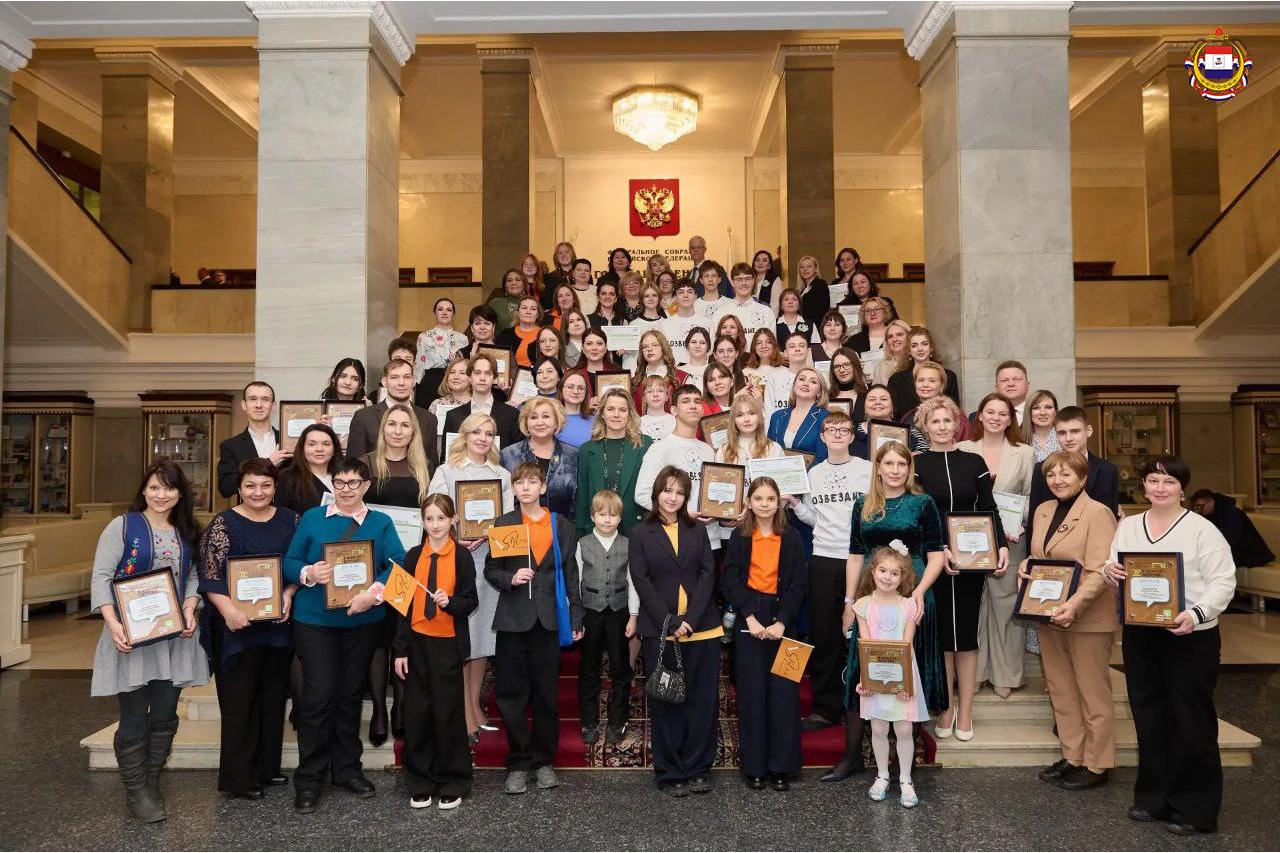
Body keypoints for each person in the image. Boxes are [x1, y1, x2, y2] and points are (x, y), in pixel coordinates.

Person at [1103, 455, 1236, 836]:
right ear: (1143, 486)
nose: (1160, 488)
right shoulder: (1130, 526)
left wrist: (1196, 613)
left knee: (1190, 719)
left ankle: (1196, 809)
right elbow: (1114, 564)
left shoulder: (1202, 530)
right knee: (1149, 715)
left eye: (1169, 482)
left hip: (1190, 634)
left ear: (1182, 488)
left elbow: (1223, 581)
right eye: (1153, 481)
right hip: (1142, 632)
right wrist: (1109, 571)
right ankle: (1154, 799)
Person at [284, 457, 405, 813]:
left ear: (366, 485)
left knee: (350, 696)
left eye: (354, 483)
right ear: (332, 484)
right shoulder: (312, 518)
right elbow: (289, 561)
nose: (346, 490)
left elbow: (398, 565)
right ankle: (310, 779)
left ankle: (347, 770)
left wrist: (373, 595)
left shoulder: (381, 523)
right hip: (315, 622)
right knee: (318, 697)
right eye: (340, 483)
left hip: (362, 623)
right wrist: (308, 572)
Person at [90, 461, 208, 823]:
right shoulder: (123, 526)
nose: (161, 495)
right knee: (133, 716)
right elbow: (102, 576)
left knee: (165, 714)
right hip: (132, 635)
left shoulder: (187, 530)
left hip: (174, 636)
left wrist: (189, 608)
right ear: (144, 490)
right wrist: (112, 623)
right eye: (155, 487)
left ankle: (150, 782)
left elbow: (194, 576)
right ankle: (136, 791)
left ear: (180, 493)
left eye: (169, 488)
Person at [837, 442, 947, 775]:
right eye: (889, 463)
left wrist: (919, 593)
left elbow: (936, 555)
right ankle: (852, 757)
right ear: (878, 468)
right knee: (861, 669)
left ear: (909, 469)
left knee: (911, 670)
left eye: (902, 464)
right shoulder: (863, 505)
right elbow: (855, 556)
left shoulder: (923, 503)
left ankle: (903, 764)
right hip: (869, 596)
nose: (896, 470)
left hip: (912, 595)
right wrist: (849, 602)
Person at [198, 458, 299, 800]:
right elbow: (209, 574)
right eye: (250, 486)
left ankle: (267, 768)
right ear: (239, 488)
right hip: (236, 627)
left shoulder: (290, 520)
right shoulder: (223, 523)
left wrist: (288, 593)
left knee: (272, 697)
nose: (258, 492)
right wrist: (228, 610)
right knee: (240, 701)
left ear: (275, 487)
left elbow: (297, 566)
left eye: (265, 485)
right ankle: (240, 778)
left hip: (276, 626)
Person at [1020, 450, 1119, 791]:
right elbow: (1041, 559)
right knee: (1062, 689)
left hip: (1087, 618)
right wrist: (1026, 567)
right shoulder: (1043, 510)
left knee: (1092, 693)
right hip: (1049, 616)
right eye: (1051, 475)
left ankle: (1098, 763)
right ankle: (1073, 755)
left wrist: (1074, 606)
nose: (1057, 480)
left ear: (1082, 478)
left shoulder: (1098, 513)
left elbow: (1100, 570)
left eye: (1065, 474)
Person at [485, 461, 583, 795]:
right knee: (511, 695)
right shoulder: (505, 523)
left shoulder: (561, 524)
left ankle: (543, 761)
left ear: (542, 487)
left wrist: (577, 616)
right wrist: (510, 578)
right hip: (513, 619)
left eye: (531, 482)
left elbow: (571, 573)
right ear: (513, 488)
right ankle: (518, 763)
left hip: (548, 620)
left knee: (545, 695)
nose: (525, 488)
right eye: (519, 483)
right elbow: (491, 569)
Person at [913, 396, 1009, 735]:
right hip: (933, 560)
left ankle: (966, 711)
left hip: (972, 559)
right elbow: (917, 513)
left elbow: (989, 507)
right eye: (935, 421)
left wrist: (1000, 545)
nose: (942, 427)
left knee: (966, 635)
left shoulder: (973, 461)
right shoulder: (916, 465)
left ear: (957, 424)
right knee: (941, 637)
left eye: (947, 421)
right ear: (925, 427)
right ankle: (946, 708)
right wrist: (939, 548)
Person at [629, 466, 723, 796]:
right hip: (660, 631)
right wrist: (670, 621)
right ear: (656, 493)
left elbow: (708, 574)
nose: (673, 497)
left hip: (702, 629)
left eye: (680, 492)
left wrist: (691, 620)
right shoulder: (640, 533)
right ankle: (669, 772)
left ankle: (698, 768)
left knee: (702, 701)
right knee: (666, 701)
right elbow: (641, 579)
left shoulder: (697, 530)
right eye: (667, 490)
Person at [428, 413, 513, 743]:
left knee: (482, 640)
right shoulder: (446, 472)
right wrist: (455, 533)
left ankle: (475, 704)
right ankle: (463, 711)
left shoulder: (501, 475)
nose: (482, 438)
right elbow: (434, 514)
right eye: (476, 432)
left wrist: (489, 533)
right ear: (463, 435)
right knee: (463, 638)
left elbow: (508, 519)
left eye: (489, 433)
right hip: (456, 561)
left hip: (489, 562)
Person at [791, 410, 872, 746]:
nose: (837, 434)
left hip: (860, 560)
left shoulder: (867, 470)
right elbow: (815, 517)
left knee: (863, 634)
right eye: (831, 429)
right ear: (822, 437)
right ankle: (826, 707)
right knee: (825, 634)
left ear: (852, 436)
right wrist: (796, 506)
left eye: (844, 429)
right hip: (824, 559)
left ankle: (866, 705)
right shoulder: (814, 473)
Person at [392, 493, 477, 811]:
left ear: (453, 520)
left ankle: (453, 781)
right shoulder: (412, 555)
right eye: (429, 518)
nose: (435, 524)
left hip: (447, 644)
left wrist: (449, 602)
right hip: (416, 643)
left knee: (447, 713)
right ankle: (420, 782)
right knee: (417, 713)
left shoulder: (462, 557)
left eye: (441, 518)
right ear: (422, 521)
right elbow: (401, 605)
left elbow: (470, 601)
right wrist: (400, 649)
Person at [721, 477, 807, 791]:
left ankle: (782, 768)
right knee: (752, 695)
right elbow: (730, 581)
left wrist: (782, 622)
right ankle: (755, 767)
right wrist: (750, 617)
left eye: (771, 498)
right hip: (751, 618)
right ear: (749, 502)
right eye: (758, 498)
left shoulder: (793, 536)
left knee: (786, 696)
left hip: (788, 621)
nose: (765, 504)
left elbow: (799, 584)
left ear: (779, 502)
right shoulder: (739, 536)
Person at [360, 403, 432, 746]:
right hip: (373, 563)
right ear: (383, 428)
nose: (398, 430)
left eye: (405, 425)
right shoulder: (365, 464)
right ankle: (378, 708)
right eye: (393, 424)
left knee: (401, 633)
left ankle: (400, 705)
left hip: (408, 563)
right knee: (377, 637)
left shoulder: (423, 468)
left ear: (413, 431)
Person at [961, 393, 1036, 698]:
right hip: (972, 541)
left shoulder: (1024, 453)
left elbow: (1031, 497)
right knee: (976, 607)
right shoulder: (963, 449)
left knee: (1006, 608)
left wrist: (1018, 521)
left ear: (1010, 419)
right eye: (989, 412)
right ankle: (976, 673)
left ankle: (1007, 675)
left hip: (1012, 540)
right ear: (979, 415)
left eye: (1002, 413)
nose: (995, 418)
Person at [851, 543, 928, 809]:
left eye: (895, 573)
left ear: (903, 577)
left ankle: (905, 779)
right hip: (875, 675)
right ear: (873, 571)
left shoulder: (909, 606)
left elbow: (907, 645)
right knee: (879, 728)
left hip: (902, 675)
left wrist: (905, 682)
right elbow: (866, 646)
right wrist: (866, 680)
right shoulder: (862, 606)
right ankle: (882, 775)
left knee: (904, 729)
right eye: (883, 570)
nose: (887, 577)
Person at [575, 489, 638, 748]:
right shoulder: (582, 544)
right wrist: (576, 617)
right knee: (588, 668)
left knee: (620, 668)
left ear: (620, 518)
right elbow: (576, 582)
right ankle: (589, 722)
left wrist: (633, 616)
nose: (607, 520)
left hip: (618, 613)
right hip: (590, 613)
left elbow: (633, 583)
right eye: (602, 515)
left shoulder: (627, 544)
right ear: (593, 516)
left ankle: (617, 721)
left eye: (612, 515)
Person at [635, 385, 718, 550]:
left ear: (702, 409)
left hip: (710, 538)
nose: (693, 406)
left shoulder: (708, 450)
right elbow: (642, 494)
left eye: (697, 401)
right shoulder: (660, 448)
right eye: (686, 401)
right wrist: (680, 514)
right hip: (674, 538)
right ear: (673, 410)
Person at [1027, 406, 1120, 542]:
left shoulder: (1108, 471)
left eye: (1075, 431)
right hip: (1051, 546)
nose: (1068, 438)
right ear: (1056, 434)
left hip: (1095, 545)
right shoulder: (1042, 468)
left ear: (1089, 431)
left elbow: (1110, 519)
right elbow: (1034, 520)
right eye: (1062, 433)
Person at [575, 388, 653, 536]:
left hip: (637, 529)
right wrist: (580, 533)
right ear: (602, 414)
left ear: (629, 414)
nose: (616, 414)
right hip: (597, 531)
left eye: (622, 410)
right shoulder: (587, 450)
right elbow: (582, 497)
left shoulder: (644, 445)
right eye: (611, 409)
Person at [347, 358, 440, 467]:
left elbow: (432, 465)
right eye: (394, 377)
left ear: (414, 381)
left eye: (406, 377)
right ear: (384, 382)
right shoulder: (363, 417)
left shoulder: (429, 419)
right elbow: (353, 465)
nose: (401, 383)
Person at [500, 396, 579, 517]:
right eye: (533, 417)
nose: (540, 422)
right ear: (526, 423)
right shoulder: (508, 455)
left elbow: (579, 501)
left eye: (546, 416)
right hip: (519, 527)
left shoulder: (573, 455)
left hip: (563, 526)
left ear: (557, 421)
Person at [218, 380, 288, 500]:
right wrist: (268, 463)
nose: (259, 405)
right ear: (244, 405)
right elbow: (225, 488)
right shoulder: (231, 446)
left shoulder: (288, 442)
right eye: (253, 399)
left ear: (273, 405)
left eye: (265, 399)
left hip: (285, 510)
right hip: (249, 511)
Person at [441, 352, 522, 450]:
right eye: (477, 373)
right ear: (470, 377)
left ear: (494, 378)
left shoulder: (511, 415)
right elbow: (447, 455)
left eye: (487, 373)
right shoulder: (453, 416)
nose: (482, 378)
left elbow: (518, 454)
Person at [1191, 489, 1275, 567]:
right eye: (1197, 508)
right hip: (1237, 551)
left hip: (1252, 553)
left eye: (1200, 506)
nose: (1199, 511)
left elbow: (1231, 540)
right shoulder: (1210, 515)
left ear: (1210, 501)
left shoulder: (1231, 513)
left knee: (1214, 560)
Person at [888, 326, 959, 415]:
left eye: (924, 344)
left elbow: (955, 412)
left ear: (931, 347)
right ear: (909, 351)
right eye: (914, 345)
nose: (920, 349)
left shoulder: (949, 376)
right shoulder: (896, 380)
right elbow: (894, 415)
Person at [767, 366, 830, 464]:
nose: (806, 384)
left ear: (819, 392)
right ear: (794, 386)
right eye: (802, 379)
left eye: (813, 382)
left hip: (812, 472)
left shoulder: (824, 417)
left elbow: (822, 457)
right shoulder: (777, 416)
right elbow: (769, 452)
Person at [275, 424, 340, 515]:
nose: (319, 449)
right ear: (302, 449)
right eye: (312, 444)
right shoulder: (288, 479)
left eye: (326, 444)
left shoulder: (344, 476)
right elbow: (281, 516)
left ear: (334, 450)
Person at [899, 361, 968, 446]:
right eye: (921, 380)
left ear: (942, 386)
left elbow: (964, 448)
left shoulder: (956, 415)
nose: (925, 385)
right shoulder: (907, 417)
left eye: (932, 381)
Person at [414, 297, 468, 391]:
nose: (444, 312)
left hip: (455, 381)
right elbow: (419, 364)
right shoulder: (424, 337)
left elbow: (465, 365)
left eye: (449, 310)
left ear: (453, 314)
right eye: (440, 309)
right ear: (435, 313)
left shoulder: (462, 338)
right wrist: (415, 387)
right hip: (430, 383)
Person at [715, 262, 776, 340]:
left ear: (753, 281)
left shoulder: (767, 312)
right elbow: (716, 344)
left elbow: (772, 345)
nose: (744, 283)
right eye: (739, 279)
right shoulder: (720, 313)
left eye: (748, 279)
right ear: (732, 282)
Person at [762, 332, 812, 416]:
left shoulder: (816, 378)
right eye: (792, 346)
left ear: (808, 351)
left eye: (801, 346)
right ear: (785, 353)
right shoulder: (774, 377)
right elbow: (769, 411)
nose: (797, 349)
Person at [495, 295, 545, 370]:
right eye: (524, 308)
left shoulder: (545, 335)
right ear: (518, 312)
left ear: (537, 314)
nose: (528, 312)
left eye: (533, 309)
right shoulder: (505, 334)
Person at [658, 280, 701, 364]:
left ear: (695, 296)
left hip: (700, 371)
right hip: (673, 370)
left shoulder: (706, 322)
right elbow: (663, 353)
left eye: (690, 292)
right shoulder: (665, 324)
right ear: (676, 297)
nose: (685, 295)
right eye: (681, 292)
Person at [557, 371, 595, 448]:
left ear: (586, 392)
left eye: (581, 388)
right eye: (570, 387)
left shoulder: (596, 421)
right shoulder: (553, 420)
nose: (576, 392)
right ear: (561, 389)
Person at [829, 347, 869, 418]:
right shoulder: (826, 397)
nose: (842, 370)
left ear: (855, 366)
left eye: (847, 364)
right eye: (837, 366)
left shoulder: (868, 395)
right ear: (833, 370)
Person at [692, 261, 732, 328]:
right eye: (706, 276)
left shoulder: (730, 303)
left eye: (713, 276)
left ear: (719, 279)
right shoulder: (694, 305)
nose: (710, 279)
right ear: (701, 280)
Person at [872, 320, 911, 387]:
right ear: (887, 342)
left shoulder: (916, 361)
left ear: (909, 336)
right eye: (890, 336)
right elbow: (875, 392)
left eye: (899, 335)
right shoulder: (881, 367)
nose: (894, 339)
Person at [488, 268, 527, 333]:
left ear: (524, 285)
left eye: (517, 280)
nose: (513, 283)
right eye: (509, 280)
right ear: (505, 285)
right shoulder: (495, 304)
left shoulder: (532, 304)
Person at [794, 256, 829, 327]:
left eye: (809, 266)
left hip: (814, 327)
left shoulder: (820, 284)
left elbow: (822, 311)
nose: (805, 269)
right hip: (801, 326)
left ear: (815, 269)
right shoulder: (800, 290)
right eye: (802, 267)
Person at [639, 375, 675, 441]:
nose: (655, 395)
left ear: (667, 396)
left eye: (660, 391)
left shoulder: (675, 421)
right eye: (650, 391)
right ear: (644, 398)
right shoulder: (638, 423)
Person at [543, 241, 577, 307]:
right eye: (560, 253)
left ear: (572, 254)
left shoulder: (582, 275)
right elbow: (548, 303)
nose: (563, 255)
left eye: (566, 252)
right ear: (556, 257)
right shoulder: (550, 278)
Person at [751, 249, 783, 313]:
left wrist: (767, 316)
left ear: (769, 266)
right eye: (757, 260)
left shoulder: (774, 279)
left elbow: (776, 304)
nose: (760, 263)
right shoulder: (748, 278)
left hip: (766, 316)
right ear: (754, 263)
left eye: (764, 260)